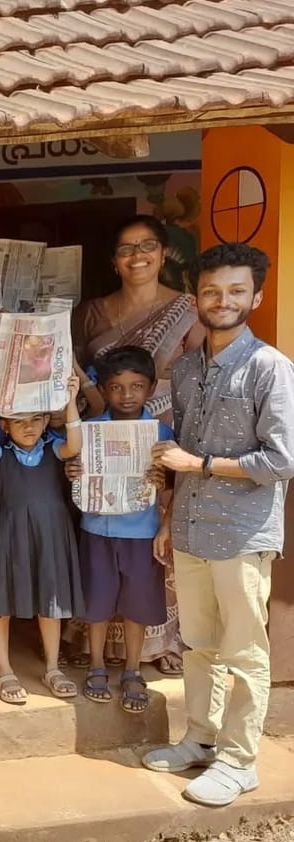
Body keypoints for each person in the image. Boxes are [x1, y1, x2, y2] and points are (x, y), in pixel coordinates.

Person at [144, 243, 294, 807]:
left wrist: (199, 465)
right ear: (196, 299)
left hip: (242, 533)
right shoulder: (184, 369)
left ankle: (240, 760)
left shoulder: (271, 368)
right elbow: (177, 452)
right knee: (199, 643)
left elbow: (283, 460)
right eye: (212, 291)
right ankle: (200, 740)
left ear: (255, 296)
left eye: (236, 291)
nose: (222, 301)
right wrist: (167, 516)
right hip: (189, 528)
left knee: (245, 651)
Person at [72, 214, 204, 675]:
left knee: (155, 539)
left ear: (163, 253)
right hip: (104, 431)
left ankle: (157, 644)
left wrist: (175, 440)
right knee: (102, 552)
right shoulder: (93, 311)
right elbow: (81, 373)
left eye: (147, 246)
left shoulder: (188, 309)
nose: (137, 256)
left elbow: (194, 379)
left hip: (161, 429)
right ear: (114, 261)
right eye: (127, 249)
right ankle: (98, 654)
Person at [0, 371, 84, 704]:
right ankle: (5, 671)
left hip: (51, 535)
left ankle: (52, 668)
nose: (29, 427)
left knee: (51, 602)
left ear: (47, 421)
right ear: (4, 426)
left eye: (36, 419)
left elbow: (75, 444)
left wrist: (72, 402)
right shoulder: (1, 455)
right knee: (1, 604)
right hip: (12, 535)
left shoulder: (54, 450)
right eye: (19, 422)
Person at [75, 346, 173, 712]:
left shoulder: (161, 432)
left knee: (136, 606)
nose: (126, 394)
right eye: (116, 387)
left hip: (141, 531)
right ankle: (96, 665)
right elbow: (74, 475)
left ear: (149, 390)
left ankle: (132, 669)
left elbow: (173, 484)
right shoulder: (89, 431)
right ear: (103, 389)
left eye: (136, 386)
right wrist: (73, 472)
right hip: (98, 529)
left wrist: (162, 478)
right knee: (97, 603)